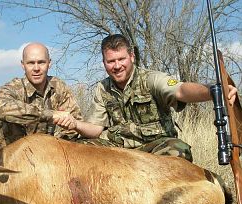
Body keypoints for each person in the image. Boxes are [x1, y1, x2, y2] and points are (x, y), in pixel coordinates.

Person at [53, 34, 238, 162]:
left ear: (131, 56)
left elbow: (181, 90)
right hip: (118, 149)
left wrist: (213, 91)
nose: (117, 66)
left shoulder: (151, 78)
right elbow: (95, 128)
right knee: (78, 149)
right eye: (111, 61)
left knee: (178, 151)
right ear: (104, 63)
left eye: (121, 59)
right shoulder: (102, 88)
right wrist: (75, 123)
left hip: (154, 146)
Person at [0, 42, 83, 149]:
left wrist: (58, 145)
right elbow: (2, 109)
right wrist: (51, 115)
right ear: (22, 65)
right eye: (30, 63)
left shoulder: (59, 86)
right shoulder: (12, 88)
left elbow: (74, 123)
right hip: (12, 157)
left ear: (49, 63)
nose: (36, 68)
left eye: (41, 62)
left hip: (49, 154)